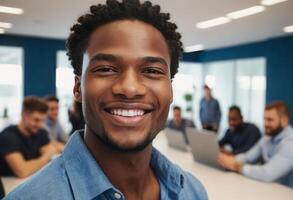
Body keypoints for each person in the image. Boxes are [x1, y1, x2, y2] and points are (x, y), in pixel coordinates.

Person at [4, 0, 208, 199]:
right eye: (105, 69)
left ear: (170, 89)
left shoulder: (192, 191)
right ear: (77, 88)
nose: (129, 89)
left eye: (152, 71)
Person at [218, 101, 293, 188]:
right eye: (264, 119)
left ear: (284, 120)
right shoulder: (267, 138)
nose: (265, 124)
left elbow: (267, 173)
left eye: (270, 120)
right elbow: (248, 157)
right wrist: (226, 159)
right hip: (271, 189)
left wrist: (235, 166)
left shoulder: (290, 143)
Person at [0, 97, 60, 178]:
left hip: (30, 182)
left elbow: (50, 152)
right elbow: (22, 171)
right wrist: (46, 157)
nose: (40, 125)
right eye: (36, 120)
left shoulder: (41, 133)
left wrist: (48, 154)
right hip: (8, 186)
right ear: (24, 116)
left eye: (43, 120)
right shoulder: (8, 136)